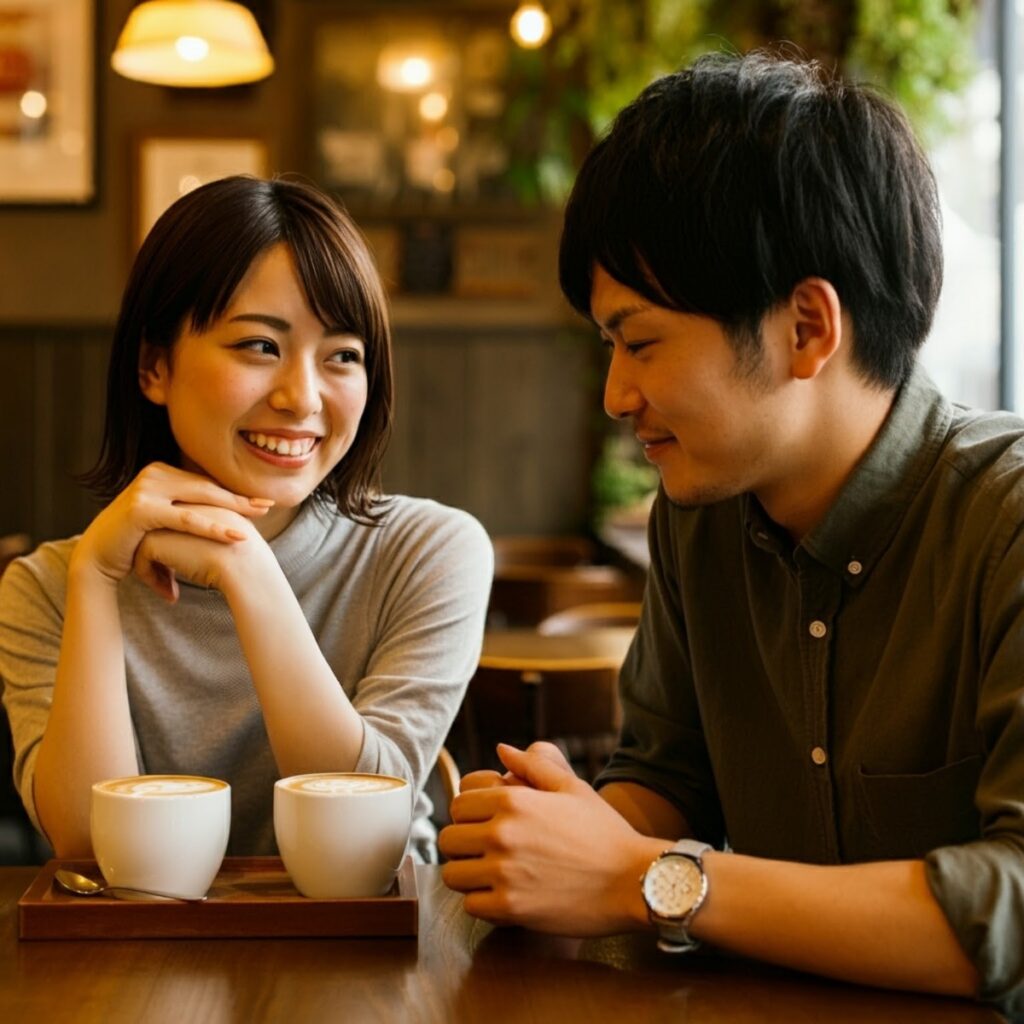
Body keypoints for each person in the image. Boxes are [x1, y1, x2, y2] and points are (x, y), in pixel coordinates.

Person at [440, 51, 1024, 1014]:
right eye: (608, 347)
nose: (618, 396)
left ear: (806, 327)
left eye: (642, 341)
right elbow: (666, 778)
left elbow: (1011, 906)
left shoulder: (1003, 522)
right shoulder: (698, 518)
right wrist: (558, 838)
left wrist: (642, 877)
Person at [0, 175, 492, 862]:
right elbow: (88, 849)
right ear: (153, 366)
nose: (303, 397)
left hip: (372, 956)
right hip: (136, 964)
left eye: (343, 356)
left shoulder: (429, 551)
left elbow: (361, 834)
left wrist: (245, 569)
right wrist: (95, 580)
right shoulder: (46, 586)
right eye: (260, 346)